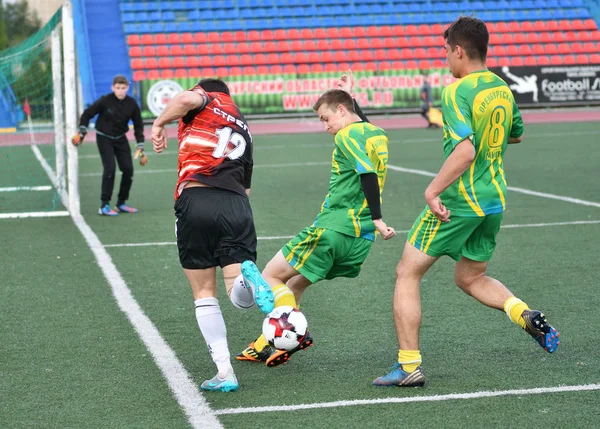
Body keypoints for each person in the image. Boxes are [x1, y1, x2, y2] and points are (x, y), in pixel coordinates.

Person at [373, 16, 560, 388]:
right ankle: (523, 313)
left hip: (461, 199)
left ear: (459, 50)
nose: (445, 57)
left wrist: (432, 191)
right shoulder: (502, 87)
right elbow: (516, 135)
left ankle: (409, 366)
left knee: (406, 273)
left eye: (446, 50)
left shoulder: (457, 90)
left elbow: (465, 149)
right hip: (493, 200)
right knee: (470, 276)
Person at [230, 71, 396, 368]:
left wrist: (379, 217)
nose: (325, 126)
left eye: (325, 118)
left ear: (342, 111)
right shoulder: (377, 133)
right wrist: (352, 98)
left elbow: (367, 173)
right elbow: (363, 127)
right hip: (360, 240)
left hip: (333, 228)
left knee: (270, 276)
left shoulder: (346, 135)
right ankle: (263, 345)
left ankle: (296, 332)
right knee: (295, 284)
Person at [151, 78, 270, 392]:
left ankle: (225, 372)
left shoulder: (205, 99)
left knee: (204, 293)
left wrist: (159, 123)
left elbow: (184, 101)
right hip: (237, 205)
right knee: (237, 293)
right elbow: (246, 187)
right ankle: (247, 281)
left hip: (198, 199)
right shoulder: (242, 124)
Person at [74, 75, 146, 216]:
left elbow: (138, 125)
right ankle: (104, 205)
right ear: (112, 87)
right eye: (117, 88)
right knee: (110, 169)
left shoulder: (132, 104)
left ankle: (121, 203)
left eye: (123, 88)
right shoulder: (105, 100)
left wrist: (140, 145)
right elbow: (87, 114)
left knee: (128, 170)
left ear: (127, 88)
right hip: (104, 137)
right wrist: (82, 130)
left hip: (120, 138)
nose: (120, 91)